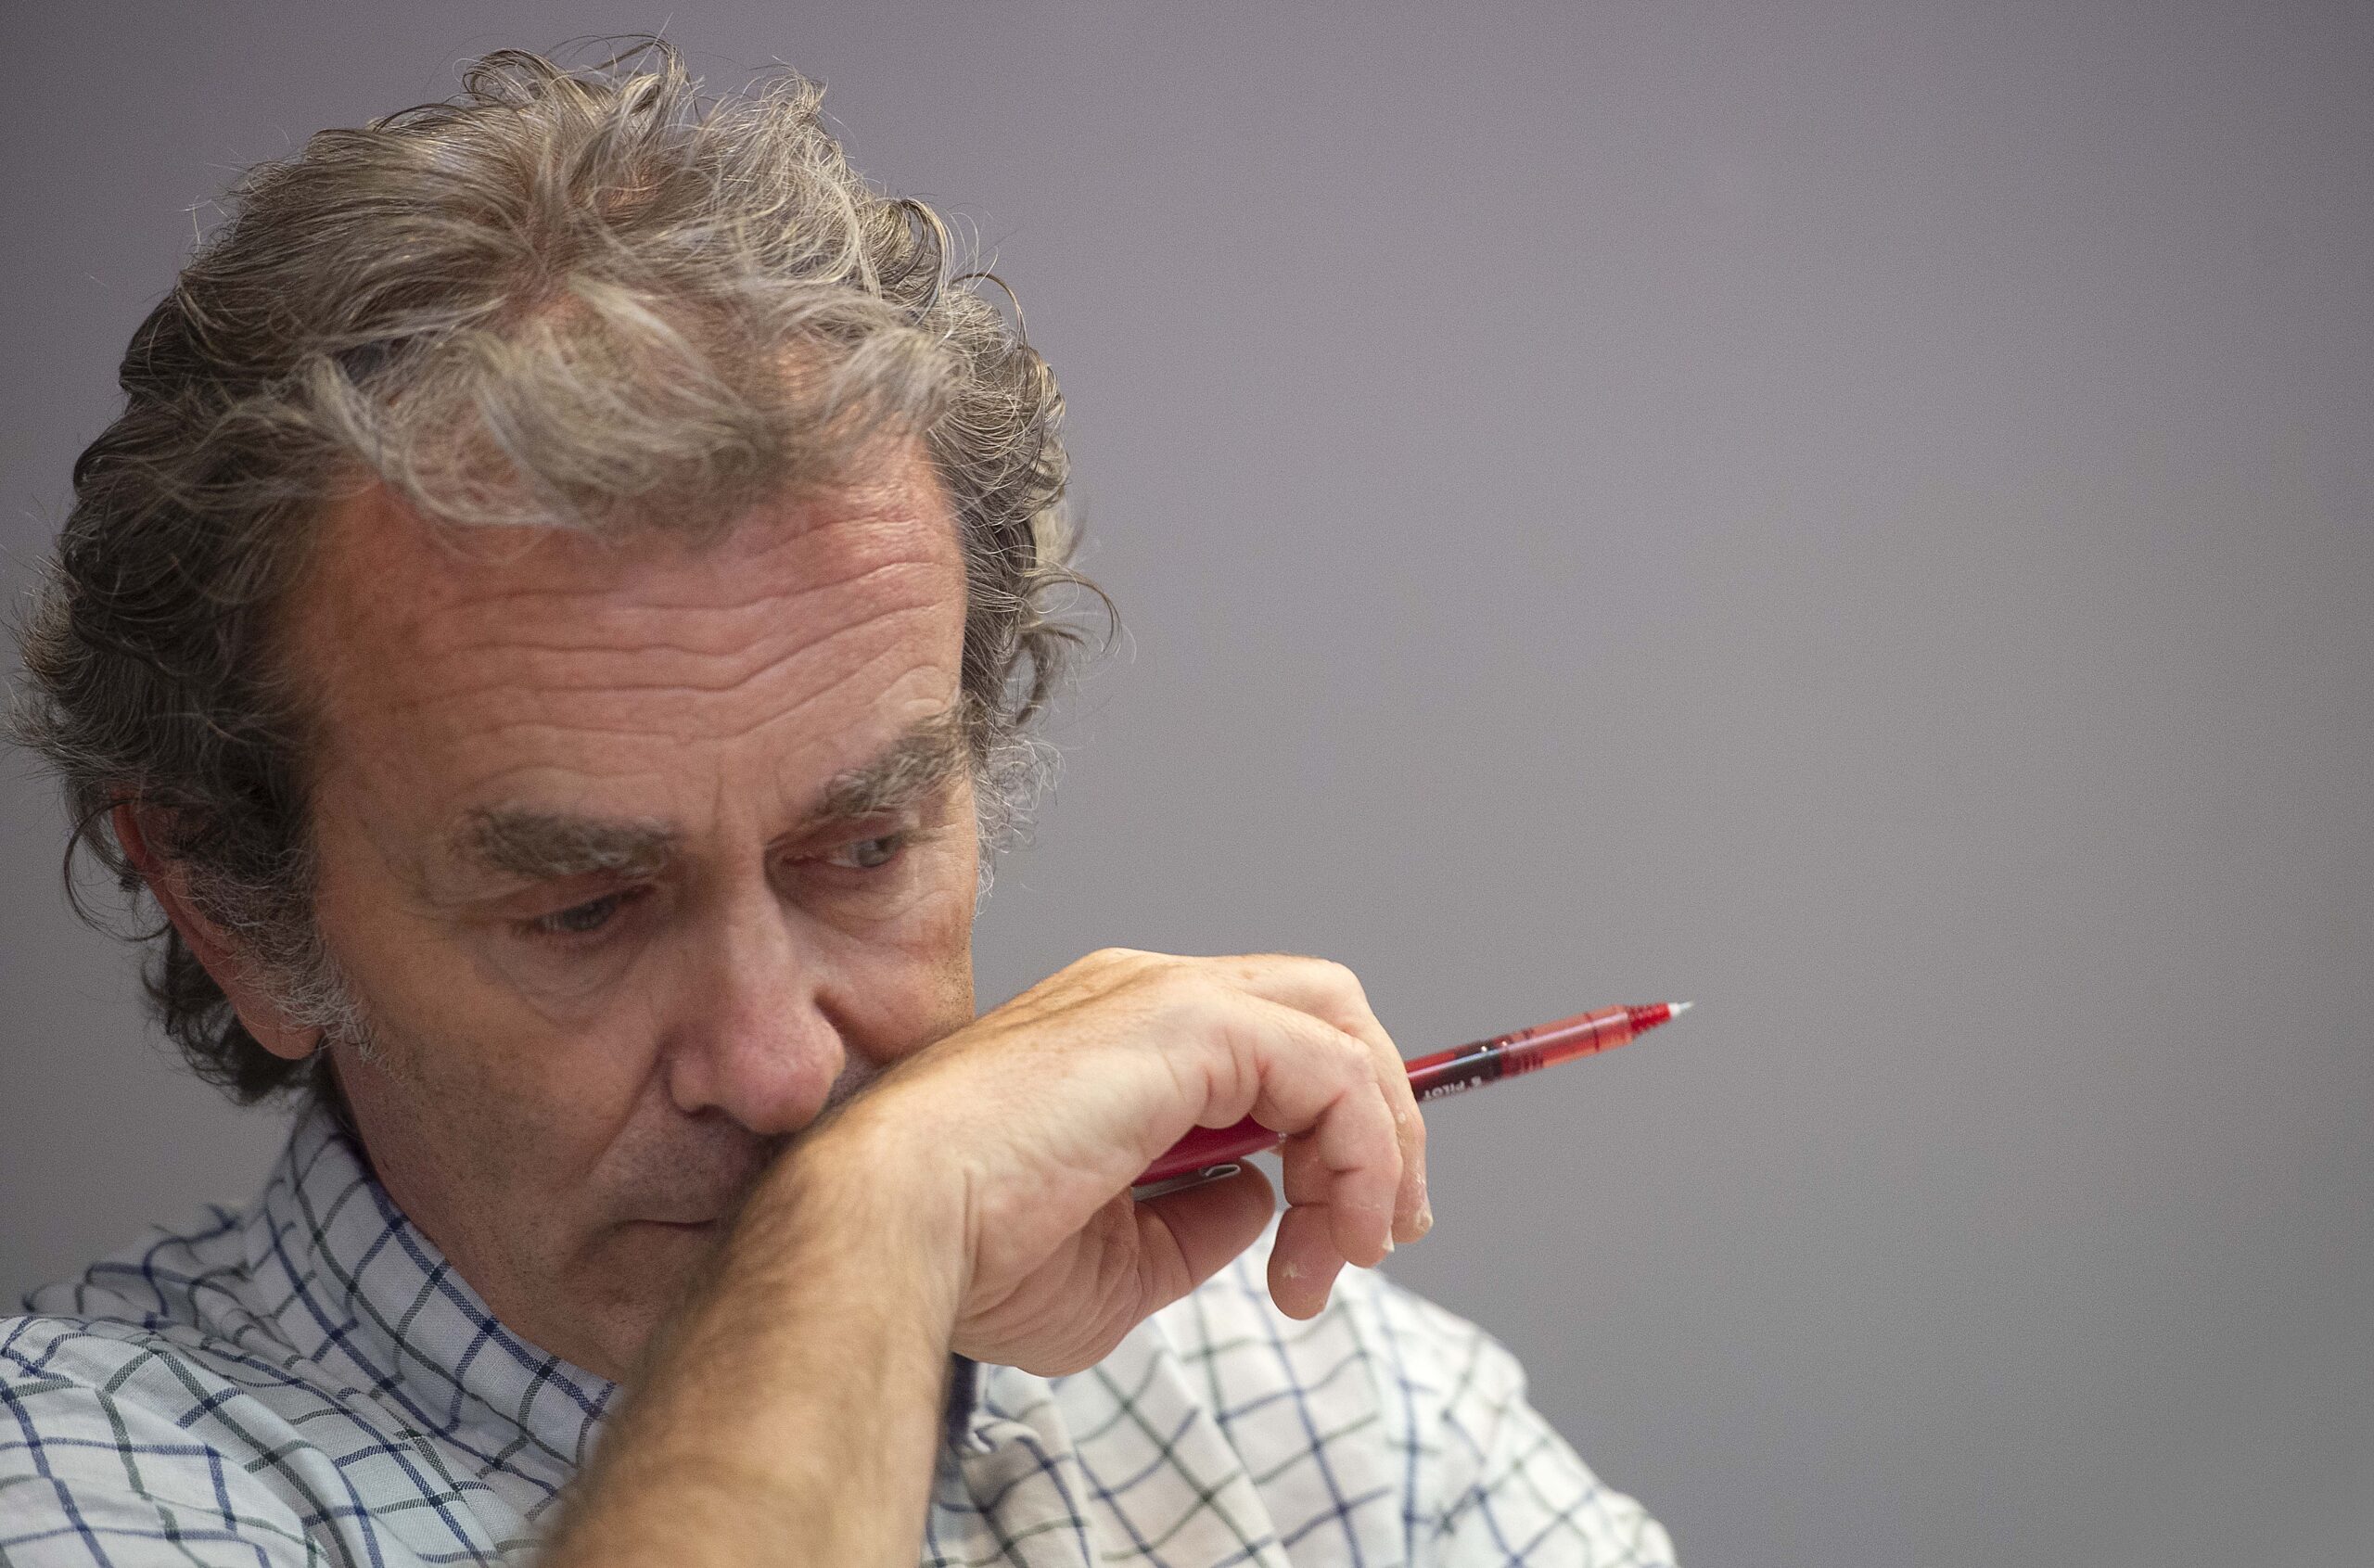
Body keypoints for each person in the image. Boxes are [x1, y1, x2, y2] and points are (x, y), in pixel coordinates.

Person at [2, 42, 1676, 1568]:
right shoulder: (80, 1482)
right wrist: (879, 1220)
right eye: (583, 910)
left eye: (863, 850)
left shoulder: (1337, 1421)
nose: (782, 1072)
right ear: (233, 910)